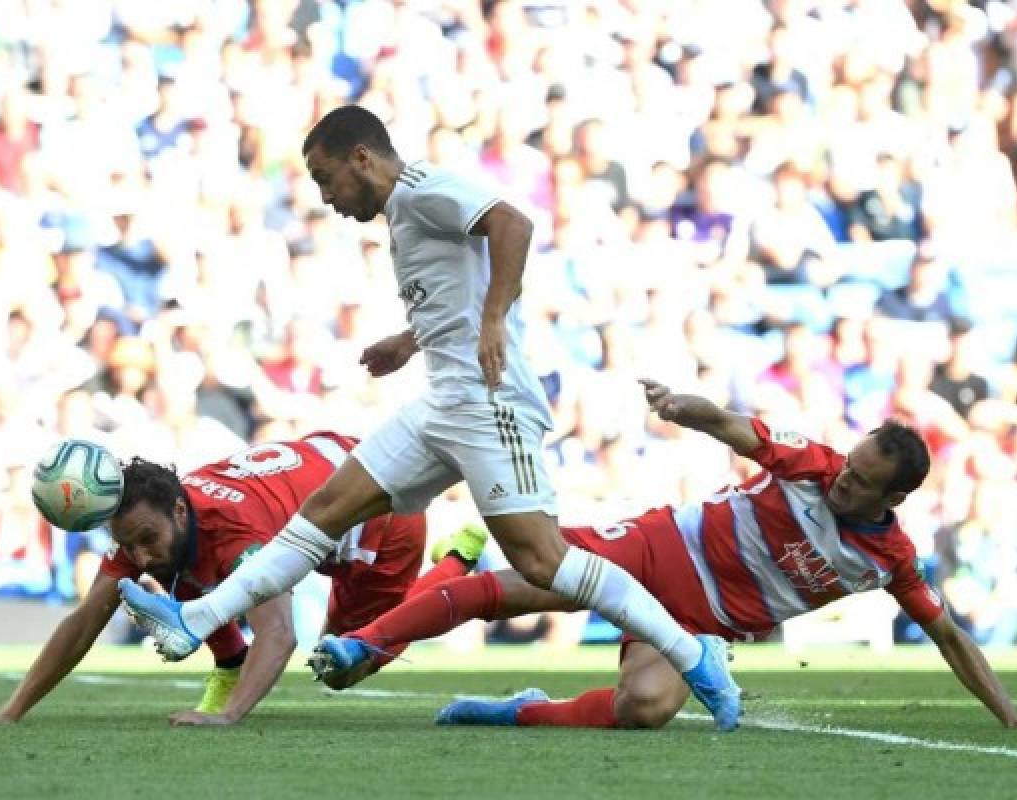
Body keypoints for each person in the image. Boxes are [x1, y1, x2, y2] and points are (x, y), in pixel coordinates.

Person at [118, 105, 739, 727]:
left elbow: (514, 223)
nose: (326, 196)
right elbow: (454, 292)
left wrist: (495, 318)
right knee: (326, 510)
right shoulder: (404, 213)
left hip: (490, 401)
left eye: (325, 177)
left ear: (362, 158)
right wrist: (410, 339)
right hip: (443, 402)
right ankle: (195, 618)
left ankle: (693, 653)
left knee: (542, 561)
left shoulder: (422, 191)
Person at [310, 380, 1017, 733]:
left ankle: (517, 711)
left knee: (645, 710)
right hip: (656, 548)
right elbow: (735, 427)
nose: (843, 479)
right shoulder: (811, 461)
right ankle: (364, 644)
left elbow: (950, 635)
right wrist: (684, 406)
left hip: (694, 625)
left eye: (862, 482)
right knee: (519, 585)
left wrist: (1009, 715)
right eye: (849, 465)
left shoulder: (892, 559)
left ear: (894, 500)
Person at [0, 432, 486, 727]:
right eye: (127, 542)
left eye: (144, 537)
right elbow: (83, 622)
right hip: (321, 471)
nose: (137, 553)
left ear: (181, 511)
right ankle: (227, 662)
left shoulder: (235, 534)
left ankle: (456, 562)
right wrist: (9, 712)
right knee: (173, 567)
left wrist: (229, 717)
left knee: (343, 664)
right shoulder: (156, 520)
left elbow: (278, 634)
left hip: (379, 515)